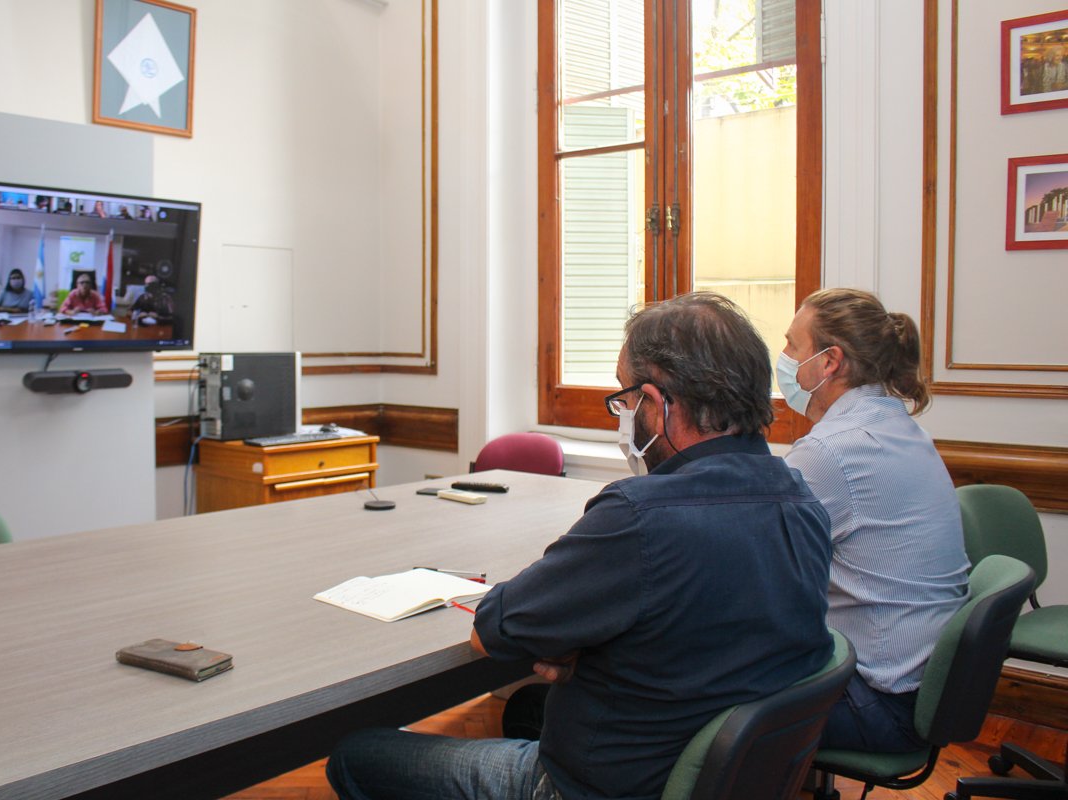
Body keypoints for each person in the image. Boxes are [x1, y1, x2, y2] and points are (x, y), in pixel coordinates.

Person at [326, 292, 835, 800]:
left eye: (624, 398)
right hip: (719, 776)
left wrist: (574, 643)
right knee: (528, 708)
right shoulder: (803, 503)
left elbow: (492, 630)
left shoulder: (641, 516)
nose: (622, 415)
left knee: (356, 753)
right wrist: (598, 650)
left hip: (597, 788)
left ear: (657, 404)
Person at [778, 288, 970, 753]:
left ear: (829, 362)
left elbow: (763, 565)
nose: (783, 358)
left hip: (880, 706)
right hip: (921, 691)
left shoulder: (830, 450)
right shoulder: (898, 427)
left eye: (792, 345)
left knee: (701, 687)